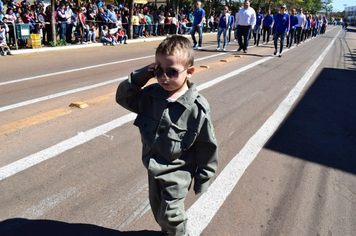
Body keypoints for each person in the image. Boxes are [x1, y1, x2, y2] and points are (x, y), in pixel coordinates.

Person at [116, 35, 218, 236]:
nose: (164, 77)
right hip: (153, 167)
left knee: (172, 215)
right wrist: (143, 74)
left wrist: (202, 178)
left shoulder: (197, 109)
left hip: (178, 172)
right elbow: (123, 97)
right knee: (158, 211)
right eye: (159, 71)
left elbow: (207, 145)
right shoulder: (151, 95)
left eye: (171, 72)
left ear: (189, 72)